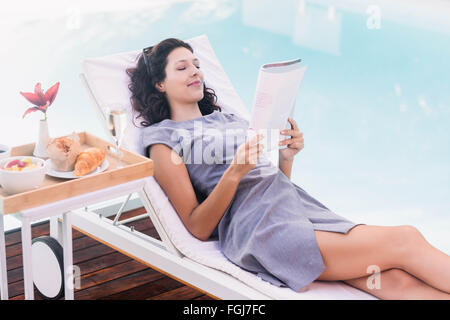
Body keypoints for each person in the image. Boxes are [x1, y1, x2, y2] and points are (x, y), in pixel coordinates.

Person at [126, 38, 450, 299]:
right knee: (405, 239)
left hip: (301, 212)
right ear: (159, 85)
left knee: (395, 281)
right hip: (265, 233)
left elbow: (270, 186)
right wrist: (234, 172)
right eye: (182, 67)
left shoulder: (229, 120)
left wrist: (285, 157)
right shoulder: (163, 140)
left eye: (196, 64)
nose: (195, 71)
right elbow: (197, 226)